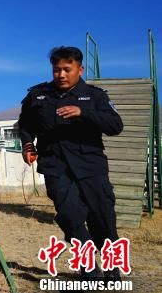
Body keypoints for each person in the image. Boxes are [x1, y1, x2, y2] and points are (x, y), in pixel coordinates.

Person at [18, 46, 123, 281]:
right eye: (57, 70)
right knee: (70, 216)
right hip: (55, 166)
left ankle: (111, 267)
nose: (61, 75)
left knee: (102, 218)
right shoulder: (38, 95)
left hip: (90, 166)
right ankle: (88, 268)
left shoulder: (95, 96)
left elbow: (115, 125)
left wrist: (83, 112)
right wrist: (27, 145)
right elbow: (24, 125)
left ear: (80, 69)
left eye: (67, 69)